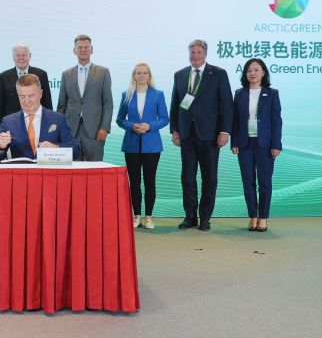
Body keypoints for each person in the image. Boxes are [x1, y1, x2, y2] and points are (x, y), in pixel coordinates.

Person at [170, 40, 233, 231]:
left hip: (211, 135)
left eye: (199, 52)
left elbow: (227, 105)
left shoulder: (218, 73)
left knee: (209, 178)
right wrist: (175, 129)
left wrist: (225, 131)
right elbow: (175, 104)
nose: (195, 55)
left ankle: (205, 218)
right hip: (187, 135)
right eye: (192, 52)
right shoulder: (180, 74)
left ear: (205, 54)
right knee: (187, 178)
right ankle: (190, 216)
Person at [231, 58, 282, 232]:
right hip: (244, 143)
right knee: (248, 182)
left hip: (265, 144)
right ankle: (253, 216)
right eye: (248, 70)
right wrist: (234, 141)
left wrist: (276, 144)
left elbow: (276, 121)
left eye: (256, 70)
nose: (252, 73)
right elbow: (235, 120)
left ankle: (263, 217)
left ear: (263, 73)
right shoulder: (239, 93)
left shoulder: (272, 93)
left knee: (265, 182)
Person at [116, 63, 169, 229]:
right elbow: (120, 119)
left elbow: (164, 118)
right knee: (134, 181)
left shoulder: (158, 95)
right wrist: (131, 126)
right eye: (138, 73)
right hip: (131, 144)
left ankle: (149, 217)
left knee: (150, 181)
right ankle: (136, 216)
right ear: (134, 76)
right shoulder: (127, 95)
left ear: (149, 76)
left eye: (145, 73)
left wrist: (149, 126)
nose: (141, 76)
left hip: (152, 145)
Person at [0, 74, 80, 161]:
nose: (26, 101)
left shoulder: (58, 119)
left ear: (40, 94)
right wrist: (0, 147)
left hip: (48, 170)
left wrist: (56, 148)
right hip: (20, 171)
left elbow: (75, 151)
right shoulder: (8, 122)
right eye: (22, 96)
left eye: (31, 95)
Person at [57, 34, 114, 161]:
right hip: (71, 130)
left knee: (94, 168)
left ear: (91, 49)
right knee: (73, 169)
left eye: (86, 47)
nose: (83, 50)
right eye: (80, 47)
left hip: (95, 131)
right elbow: (62, 105)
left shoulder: (103, 72)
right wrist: (60, 130)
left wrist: (105, 128)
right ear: (74, 50)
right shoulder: (66, 74)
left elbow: (108, 103)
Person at [0, 42, 53, 136]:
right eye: (18, 55)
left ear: (30, 56)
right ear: (13, 57)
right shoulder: (3, 77)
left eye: (24, 55)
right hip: (12, 127)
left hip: (38, 124)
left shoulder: (41, 74)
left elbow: (47, 103)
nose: (21, 58)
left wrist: (51, 130)